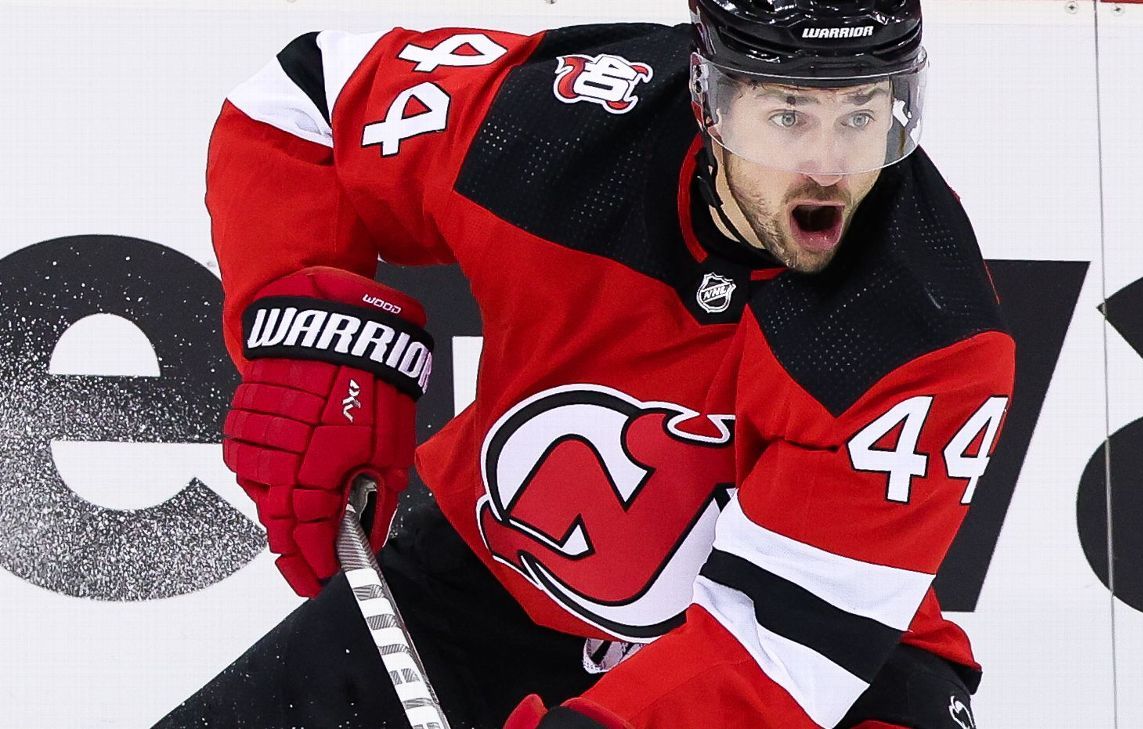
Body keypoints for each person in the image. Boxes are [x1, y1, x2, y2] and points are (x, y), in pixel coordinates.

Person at [157, 0, 1014, 727]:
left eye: (860, 115)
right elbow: (305, 102)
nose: (829, 166)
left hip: (823, 670)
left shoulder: (928, 328)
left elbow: (782, 654)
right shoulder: (552, 129)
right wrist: (315, 338)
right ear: (710, 99)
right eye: (789, 115)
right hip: (491, 582)